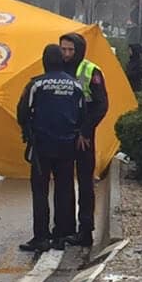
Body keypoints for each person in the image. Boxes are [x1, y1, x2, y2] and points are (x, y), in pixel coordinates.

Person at [16, 44, 85, 252]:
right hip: (67, 145)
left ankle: (41, 237)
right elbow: (82, 114)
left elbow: (22, 111)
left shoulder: (36, 85)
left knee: (40, 191)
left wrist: (28, 131)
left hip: (42, 145)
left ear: (44, 61)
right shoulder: (76, 86)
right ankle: (61, 235)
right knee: (63, 190)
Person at [60, 32, 109, 248]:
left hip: (83, 137)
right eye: (64, 49)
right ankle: (66, 228)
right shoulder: (57, 68)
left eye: (71, 49)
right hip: (63, 135)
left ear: (79, 50)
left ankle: (85, 230)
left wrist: (85, 131)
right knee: (64, 182)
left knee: (85, 183)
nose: (67, 53)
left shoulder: (91, 71)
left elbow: (101, 105)